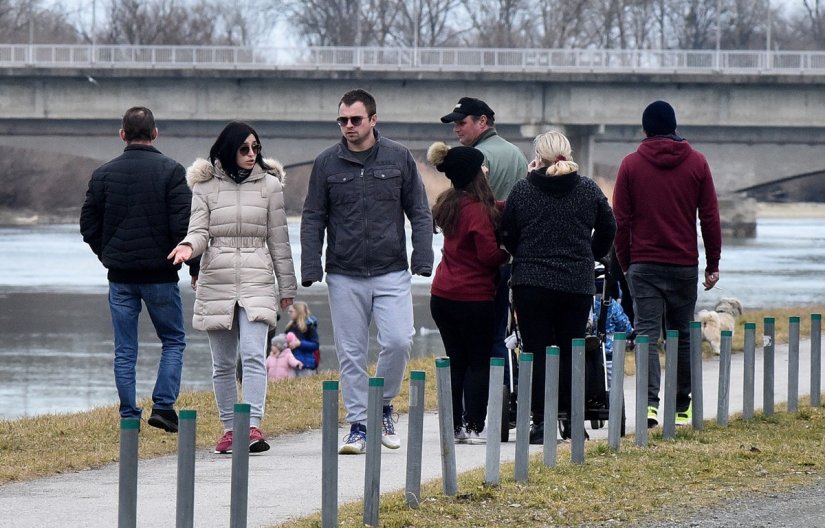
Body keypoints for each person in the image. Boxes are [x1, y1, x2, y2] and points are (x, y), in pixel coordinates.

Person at [301, 88, 434, 455]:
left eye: (355, 119)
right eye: (342, 120)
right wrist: (310, 266)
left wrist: (423, 259)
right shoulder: (327, 163)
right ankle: (359, 424)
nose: (348, 126)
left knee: (398, 340)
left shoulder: (398, 157)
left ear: (373, 120)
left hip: (391, 269)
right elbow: (313, 217)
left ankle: (384, 405)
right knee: (351, 353)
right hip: (343, 273)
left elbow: (420, 212)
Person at [168, 121, 297, 454]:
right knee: (222, 364)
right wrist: (187, 247)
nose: (252, 154)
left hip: (257, 278)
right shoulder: (205, 188)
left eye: (256, 147)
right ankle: (229, 428)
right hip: (217, 280)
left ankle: (251, 426)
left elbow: (279, 241)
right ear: (229, 151)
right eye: (244, 149)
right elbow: (198, 232)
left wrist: (287, 286)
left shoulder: (270, 186)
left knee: (253, 356)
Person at [80, 106, 197, 433]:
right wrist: (192, 267)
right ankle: (163, 407)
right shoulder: (172, 172)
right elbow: (184, 227)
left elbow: (88, 225)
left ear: (122, 135)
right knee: (173, 340)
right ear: (155, 133)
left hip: (120, 277)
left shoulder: (103, 174)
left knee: (125, 349)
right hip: (160, 275)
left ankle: (129, 414)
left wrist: (107, 255)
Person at [500, 129, 616, 444]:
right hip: (576, 284)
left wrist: (523, 252)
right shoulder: (588, 189)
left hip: (532, 283)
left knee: (535, 353)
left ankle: (540, 424)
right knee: (572, 352)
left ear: (539, 157)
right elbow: (609, 226)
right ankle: (574, 421)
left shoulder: (523, 190)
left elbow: (506, 232)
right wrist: (588, 254)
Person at [612, 100, 721, 428]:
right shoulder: (697, 163)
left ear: (645, 129)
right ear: (674, 127)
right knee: (683, 333)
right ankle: (683, 406)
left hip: (644, 263)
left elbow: (621, 219)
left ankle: (648, 406)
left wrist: (625, 262)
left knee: (646, 333)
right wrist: (712, 263)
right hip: (683, 263)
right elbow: (710, 216)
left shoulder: (630, 165)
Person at [440, 96, 528, 422]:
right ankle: (503, 400)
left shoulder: (475, 159)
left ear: (482, 121)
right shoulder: (517, 154)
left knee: (472, 347)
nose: (456, 129)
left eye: (461, 123)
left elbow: (471, 214)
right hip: (507, 259)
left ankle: (477, 412)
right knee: (500, 336)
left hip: (478, 266)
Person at [427, 141, 509, 445]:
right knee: (478, 361)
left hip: (443, 295)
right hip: (473, 298)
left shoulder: (449, 202)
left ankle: (454, 426)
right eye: (482, 167)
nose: (486, 170)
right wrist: (507, 255)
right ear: (475, 174)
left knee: (457, 360)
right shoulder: (477, 211)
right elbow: (488, 256)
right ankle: (475, 425)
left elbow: (487, 209)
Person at [284, 301, 320, 376]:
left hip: (306, 364)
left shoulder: (309, 327)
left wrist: (299, 344)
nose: (289, 313)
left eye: (291, 311)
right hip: (291, 363)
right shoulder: (290, 327)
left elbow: (315, 345)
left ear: (298, 312)